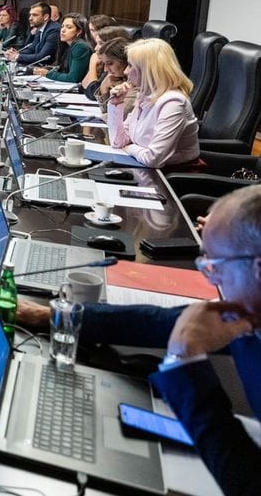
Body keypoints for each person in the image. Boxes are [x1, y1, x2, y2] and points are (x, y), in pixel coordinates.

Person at [18, 186, 261, 496]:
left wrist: (185, 363)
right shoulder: (248, 310)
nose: (212, 281)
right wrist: (50, 316)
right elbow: (157, 322)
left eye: (215, 267)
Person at [107, 38, 200, 168]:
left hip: (174, 175)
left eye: (130, 66)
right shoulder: (145, 96)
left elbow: (153, 159)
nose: (125, 71)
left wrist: (130, 148)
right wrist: (116, 104)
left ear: (148, 70)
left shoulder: (173, 103)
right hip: (143, 167)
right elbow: (118, 142)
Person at [34, 13, 91, 83]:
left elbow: (73, 78)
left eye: (69, 27)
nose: (63, 30)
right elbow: (61, 68)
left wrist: (47, 74)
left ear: (79, 31)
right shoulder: (67, 45)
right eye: (62, 26)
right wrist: (45, 70)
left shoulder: (80, 47)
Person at [5, 2, 58, 66]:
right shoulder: (40, 28)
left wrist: (17, 56)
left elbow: (42, 56)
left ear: (45, 17)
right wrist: (15, 53)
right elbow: (32, 49)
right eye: (30, 15)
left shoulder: (53, 30)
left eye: (34, 15)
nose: (30, 18)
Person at [91, 36, 134, 113]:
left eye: (110, 63)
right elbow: (106, 111)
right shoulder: (117, 80)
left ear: (125, 60)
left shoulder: (136, 84)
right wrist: (103, 88)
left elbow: (112, 116)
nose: (106, 69)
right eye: (104, 64)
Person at [81, 24, 130, 92]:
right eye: (96, 43)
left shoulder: (125, 73)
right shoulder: (104, 63)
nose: (96, 48)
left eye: (101, 43)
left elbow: (93, 90)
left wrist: (92, 64)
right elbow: (84, 88)